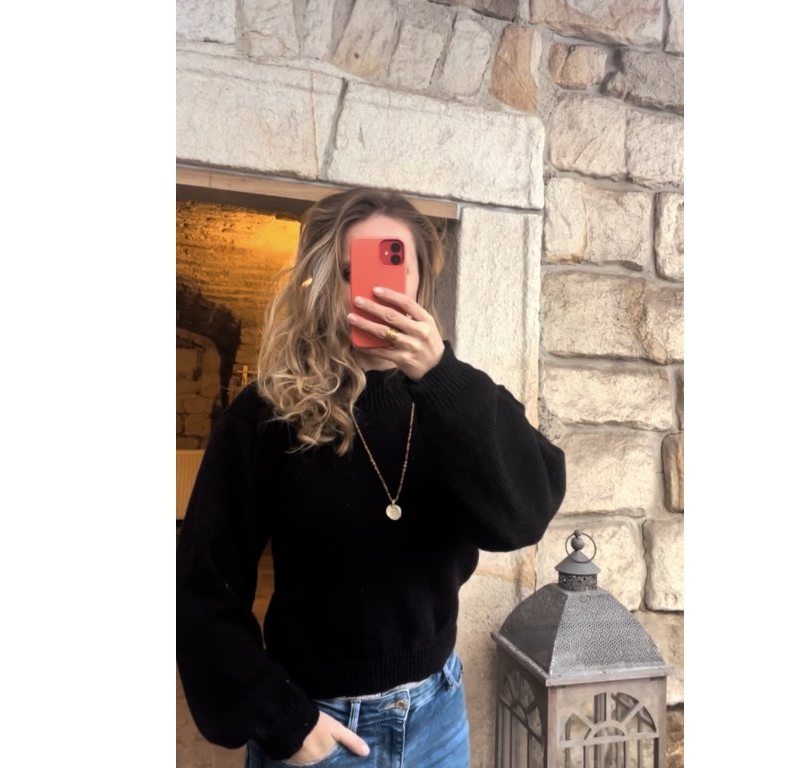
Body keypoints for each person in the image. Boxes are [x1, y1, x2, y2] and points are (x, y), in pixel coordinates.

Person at [176, 187, 566, 767]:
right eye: (349, 271)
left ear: (420, 280)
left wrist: (440, 375)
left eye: (394, 265)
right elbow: (202, 581)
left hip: (437, 716)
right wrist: (280, 720)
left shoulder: (462, 399)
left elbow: (523, 516)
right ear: (323, 285)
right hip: (317, 728)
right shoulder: (269, 414)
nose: (376, 289)